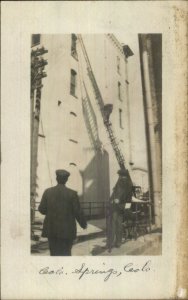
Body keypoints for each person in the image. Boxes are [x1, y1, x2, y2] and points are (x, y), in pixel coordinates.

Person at [38, 169, 87, 256]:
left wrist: (51, 211)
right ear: (66, 180)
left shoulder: (47, 192)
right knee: (66, 254)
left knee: (54, 254)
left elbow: (41, 209)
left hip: (51, 230)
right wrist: (83, 224)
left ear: (56, 178)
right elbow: (78, 212)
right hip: (67, 231)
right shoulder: (72, 194)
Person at [107, 169, 132, 249]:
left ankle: (112, 242)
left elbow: (119, 194)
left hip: (118, 206)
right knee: (118, 224)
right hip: (122, 206)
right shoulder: (128, 183)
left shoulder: (122, 182)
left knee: (114, 224)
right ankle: (118, 242)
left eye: (119, 175)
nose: (119, 177)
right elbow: (127, 197)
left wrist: (115, 200)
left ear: (121, 175)